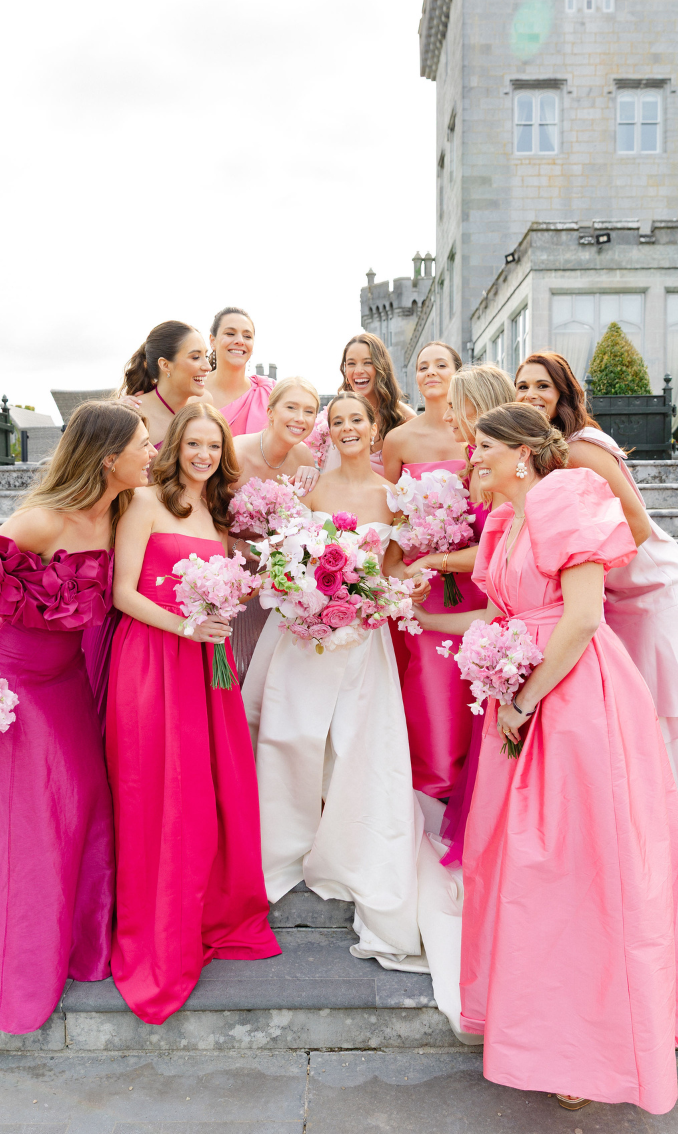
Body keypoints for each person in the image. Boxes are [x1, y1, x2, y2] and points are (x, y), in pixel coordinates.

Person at [417, 403, 678, 1113]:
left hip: (577, 701)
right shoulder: (505, 519)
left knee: (580, 868)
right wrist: (417, 616)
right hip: (522, 698)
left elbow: (581, 617)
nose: (472, 458)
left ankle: (593, 1050)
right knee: (522, 869)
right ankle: (542, 1032)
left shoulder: (565, 497)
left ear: (521, 453)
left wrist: (524, 701)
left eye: (483, 447)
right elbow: (501, 616)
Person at [0, 401, 153, 1034]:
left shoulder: (123, 511)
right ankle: (16, 953)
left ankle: (75, 942)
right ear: (109, 458)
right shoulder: (42, 519)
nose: (152, 453)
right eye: (143, 445)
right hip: (12, 682)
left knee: (84, 799)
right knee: (31, 817)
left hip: (66, 682)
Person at [515, 350, 678, 870]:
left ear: (564, 395)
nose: (531, 395)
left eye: (543, 386)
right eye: (523, 386)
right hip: (616, 592)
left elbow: (637, 524)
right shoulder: (543, 450)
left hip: (649, 588)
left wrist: (584, 573)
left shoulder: (580, 447)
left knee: (662, 715)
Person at [106, 402, 280, 1025]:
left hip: (209, 663)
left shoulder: (219, 515)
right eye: (193, 444)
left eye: (213, 446)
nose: (203, 455)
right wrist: (184, 625)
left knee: (212, 789)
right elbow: (122, 592)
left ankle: (208, 910)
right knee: (162, 789)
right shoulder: (144, 502)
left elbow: (227, 590)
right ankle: (160, 926)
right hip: (152, 660)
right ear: (175, 446)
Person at [243, 393, 430, 964]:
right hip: (302, 634)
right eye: (339, 421)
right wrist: (299, 592)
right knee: (289, 736)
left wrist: (408, 586)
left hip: (361, 638)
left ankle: (350, 851)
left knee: (358, 745)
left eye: (357, 420)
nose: (348, 428)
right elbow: (281, 560)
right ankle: (280, 847)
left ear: (374, 430)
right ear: (330, 433)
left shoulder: (393, 497)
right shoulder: (308, 489)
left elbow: (392, 568)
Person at [402, 364, 516, 859]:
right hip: (475, 602)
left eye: (455, 407)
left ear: (476, 407)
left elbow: (497, 547)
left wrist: (437, 560)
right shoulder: (474, 462)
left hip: (501, 602)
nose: (446, 416)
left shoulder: (502, 468)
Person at [382, 342, 485, 798]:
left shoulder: (476, 433)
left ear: (457, 372)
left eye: (441, 365)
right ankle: (431, 784)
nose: (431, 372)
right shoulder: (398, 440)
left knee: (472, 673)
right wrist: (397, 572)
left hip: (471, 573)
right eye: (422, 366)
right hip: (420, 579)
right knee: (427, 677)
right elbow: (389, 514)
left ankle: (475, 780)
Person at [230, 377, 321, 682]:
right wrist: (242, 548)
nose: (300, 418)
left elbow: (304, 519)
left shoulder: (304, 457)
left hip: (277, 577)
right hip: (232, 568)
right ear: (270, 412)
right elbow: (206, 518)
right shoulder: (235, 453)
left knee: (266, 669)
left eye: (309, 411)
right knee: (236, 663)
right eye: (291, 407)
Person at [322, 332, 416, 474]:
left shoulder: (405, 418)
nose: (358, 371)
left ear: (381, 367)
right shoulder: (334, 410)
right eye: (351, 364)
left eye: (367, 362)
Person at [120, 320, 212, 450]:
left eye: (206, 356)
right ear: (165, 365)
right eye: (196, 357)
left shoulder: (205, 403)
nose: (208, 367)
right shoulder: (135, 415)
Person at [203, 307, 275, 435]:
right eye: (230, 334)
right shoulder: (191, 391)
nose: (240, 341)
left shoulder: (270, 392)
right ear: (212, 341)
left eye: (247, 336)